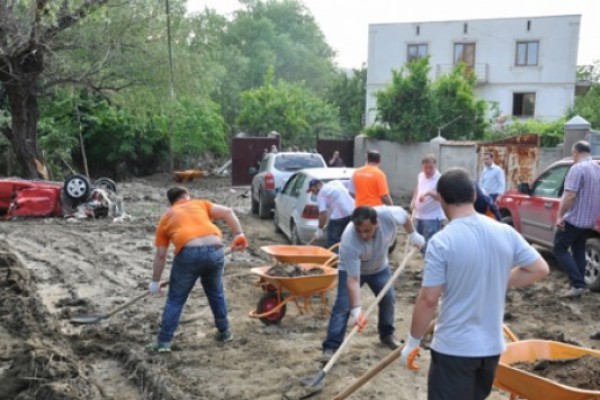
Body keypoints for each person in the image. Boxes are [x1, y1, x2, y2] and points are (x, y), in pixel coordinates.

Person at [399, 168, 549, 400]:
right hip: (491, 350)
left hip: (454, 349)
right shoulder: (505, 231)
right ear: (474, 195)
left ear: (441, 198)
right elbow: (540, 269)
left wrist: (413, 341)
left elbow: (429, 299)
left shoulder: (442, 241)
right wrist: (496, 280)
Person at [147, 186, 249, 352]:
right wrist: (238, 234)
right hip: (216, 249)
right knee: (216, 292)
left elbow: (160, 255)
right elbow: (228, 212)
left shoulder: (167, 216)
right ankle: (225, 332)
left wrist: (155, 282)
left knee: (176, 299)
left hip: (188, 253)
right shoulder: (200, 204)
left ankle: (164, 342)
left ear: (171, 202)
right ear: (187, 196)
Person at [320, 206, 425, 363]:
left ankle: (387, 334)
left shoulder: (387, 216)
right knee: (343, 306)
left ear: (377, 223)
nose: (363, 235)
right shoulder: (349, 239)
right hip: (352, 271)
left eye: (367, 230)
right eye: (359, 230)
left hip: (379, 267)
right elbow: (353, 280)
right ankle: (331, 347)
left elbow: (404, 216)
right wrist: (356, 310)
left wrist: (413, 234)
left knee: (388, 298)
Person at [553, 140, 600, 298]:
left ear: (575, 152)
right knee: (578, 249)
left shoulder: (577, 168)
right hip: (589, 221)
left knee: (559, 248)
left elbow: (570, 195)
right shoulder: (597, 169)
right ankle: (579, 284)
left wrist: (560, 216)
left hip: (574, 219)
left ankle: (577, 284)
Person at [410, 154, 446, 255]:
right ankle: (426, 264)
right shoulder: (420, 175)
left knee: (430, 245)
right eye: (425, 167)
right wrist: (413, 201)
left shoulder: (440, 179)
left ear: (435, 166)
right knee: (421, 243)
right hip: (419, 215)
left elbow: (441, 197)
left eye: (431, 167)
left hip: (432, 217)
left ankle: (429, 267)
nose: (428, 170)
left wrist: (429, 193)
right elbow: (418, 188)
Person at [307, 179, 354, 249]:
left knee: (333, 241)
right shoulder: (335, 183)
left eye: (313, 190)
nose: (313, 193)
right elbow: (351, 183)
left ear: (318, 186)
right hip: (354, 212)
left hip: (340, 216)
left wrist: (319, 229)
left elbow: (322, 213)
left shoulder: (321, 194)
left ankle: (335, 257)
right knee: (348, 238)